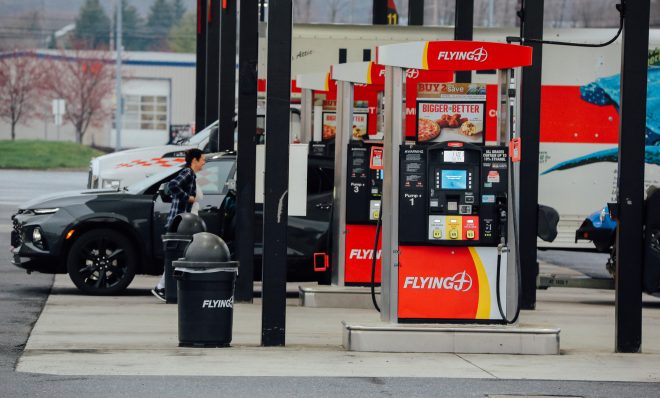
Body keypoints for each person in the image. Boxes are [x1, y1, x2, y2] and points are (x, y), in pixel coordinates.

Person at [151, 148, 206, 301]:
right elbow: (173, 186)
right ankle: (162, 287)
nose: (204, 162)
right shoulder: (187, 173)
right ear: (194, 160)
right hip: (181, 224)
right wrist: (187, 198)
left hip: (186, 223)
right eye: (202, 159)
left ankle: (167, 286)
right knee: (178, 256)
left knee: (181, 256)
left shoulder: (192, 175)